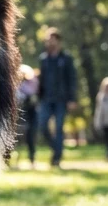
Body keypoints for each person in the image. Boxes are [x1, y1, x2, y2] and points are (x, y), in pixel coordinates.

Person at [36, 28, 77, 168]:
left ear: (58, 41)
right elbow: (41, 80)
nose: (49, 42)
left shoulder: (66, 58)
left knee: (59, 128)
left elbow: (72, 79)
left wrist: (72, 99)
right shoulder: (43, 59)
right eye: (48, 40)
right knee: (42, 125)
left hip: (61, 99)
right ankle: (56, 148)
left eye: (52, 39)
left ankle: (57, 158)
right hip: (46, 99)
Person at [15, 64, 39, 167]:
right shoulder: (16, 87)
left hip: (31, 114)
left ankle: (32, 159)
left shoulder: (33, 83)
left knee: (31, 138)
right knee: (16, 139)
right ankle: (11, 161)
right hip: (20, 115)